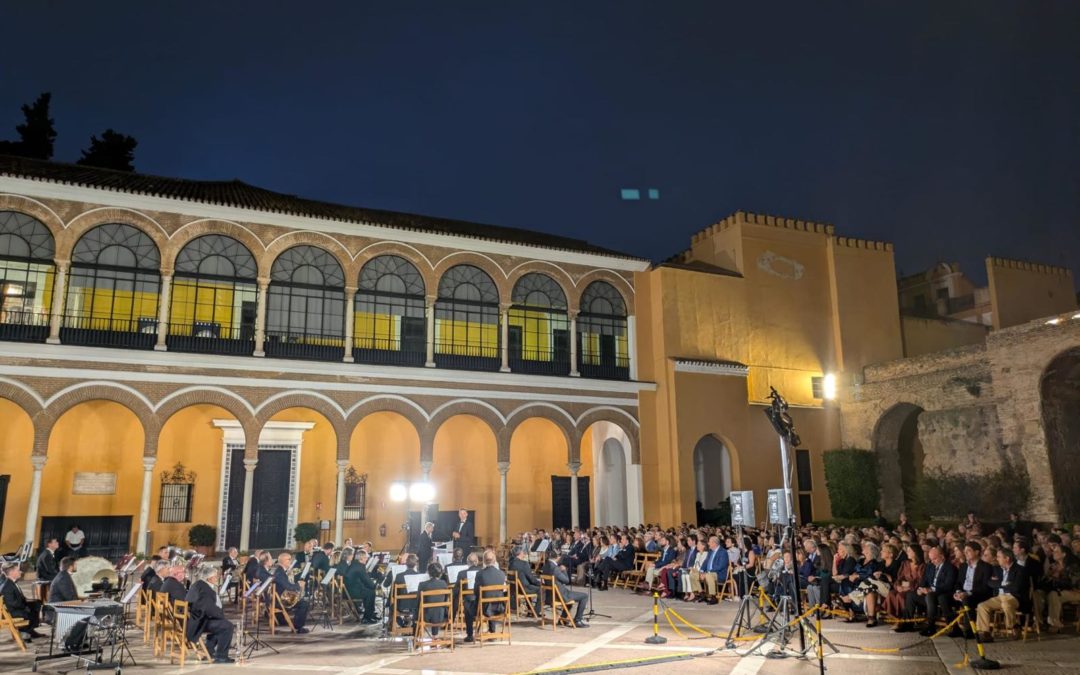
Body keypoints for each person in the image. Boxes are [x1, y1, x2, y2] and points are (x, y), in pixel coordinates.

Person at [976, 548, 1029, 642]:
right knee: (982, 606)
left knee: (1006, 604)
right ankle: (985, 633)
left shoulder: (1020, 570)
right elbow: (990, 582)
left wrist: (1000, 584)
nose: (997, 559)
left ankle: (1013, 626)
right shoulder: (997, 569)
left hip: (1014, 597)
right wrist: (1004, 584)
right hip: (999, 597)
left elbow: (1016, 587)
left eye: (999, 557)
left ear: (1007, 558)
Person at [186, 565, 235, 664]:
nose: (217, 578)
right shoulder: (206, 590)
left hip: (194, 620)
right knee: (227, 626)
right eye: (216, 576)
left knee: (220, 623)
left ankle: (209, 650)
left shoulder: (197, 584)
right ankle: (221, 656)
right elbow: (209, 609)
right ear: (210, 578)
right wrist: (221, 616)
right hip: (198, 623)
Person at [949, 541, 993, 637]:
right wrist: (958, 592)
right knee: (945, 598)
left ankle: (969, 631)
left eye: (968, 551)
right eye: (965, 551)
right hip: (963, 593)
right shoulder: (963, 566)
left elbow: (984, 587)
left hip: (977, 594)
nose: (966, 553)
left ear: (977, 552)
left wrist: (968, 593)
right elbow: (958, 583)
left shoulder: (986, 567)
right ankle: (954, 628)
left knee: (967, 600)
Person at [463, 549, 508, 642]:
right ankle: (492, 632)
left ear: (483, 561)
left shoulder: (480, 574)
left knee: (467, 603)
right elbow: (503, 590)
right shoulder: (501, 574)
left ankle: (470, 635)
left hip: (484, 609)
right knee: (493, 598)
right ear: (495, 560)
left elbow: (476, 592)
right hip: (499, 608)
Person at [916, 546, 957, 636]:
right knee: (911, 595)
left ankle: (930, 626)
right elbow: (923, 581)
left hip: (944, 592)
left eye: (934, 559)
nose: (932, 561)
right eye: (931, 559)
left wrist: (931, 590)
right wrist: (920, 589)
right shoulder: (930, 566)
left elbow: (948, 585)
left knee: (931, 596)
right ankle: (907, 623)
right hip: (930, 592)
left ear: (942, 557)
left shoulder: (950, 567)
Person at [542, 549, 589, 627]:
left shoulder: (545, 566)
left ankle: (562, 619)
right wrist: (564, 570)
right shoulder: (555, 569)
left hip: (550, 596)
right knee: (584, 596)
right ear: (557, 557)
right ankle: (578, 620)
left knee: (570, 600)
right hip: (560, 596)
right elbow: (567, 581)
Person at [0, 563, 44, 642]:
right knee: (29, 611)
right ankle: (24, 631)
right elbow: (12, 603)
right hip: (11, 612)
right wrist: (25, 607)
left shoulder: (12, 582)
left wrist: (28, 602)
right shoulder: (6, 586)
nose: (21, 572)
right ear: (12, 573)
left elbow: (19, 599)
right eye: (18, 570)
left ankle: (30, 630)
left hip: (16, 608)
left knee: (37, 603)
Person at [886, 544, 924, 631]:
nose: (907, 552)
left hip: (913, 590)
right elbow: (899, 578)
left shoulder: (922, 566)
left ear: (915, 552)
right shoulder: (905, 563)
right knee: (892, 593)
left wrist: (907, 587)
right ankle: (897, 619)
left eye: (909, 551)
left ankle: (903, 621)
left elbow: (920, 581)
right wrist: (898, 586)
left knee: (901, 596)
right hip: (902, 587)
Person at [272, 552, 309, 633]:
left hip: (280, 598)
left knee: (301, 600)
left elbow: (287, 585)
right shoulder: (279, 573)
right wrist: (299, 585)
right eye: (289, 559)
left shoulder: (280, 570)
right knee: (304, 603)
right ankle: (298, 627)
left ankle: (282, 619)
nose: (291, 561)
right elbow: (289, 587)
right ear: (283, 561)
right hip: (281, 601)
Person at [417, 561, 450, 635]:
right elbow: (445, 601)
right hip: (440, 617)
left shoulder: (422, 584)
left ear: (428, 573)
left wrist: (415, 616)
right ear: (440, 573)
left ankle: (417, 635)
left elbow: (418, 601)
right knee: (438, 607)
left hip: (426, 617)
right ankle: (434, 635)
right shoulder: (444, 584)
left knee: (420, 609)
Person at [346, 550, 378, 624]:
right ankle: (367, 618)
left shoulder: (355, 564)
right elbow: (367, 581)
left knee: (369, 591)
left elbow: (364, 579)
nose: (367, 560)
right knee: (371, 593)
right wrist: (374, 586)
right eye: (366, 558)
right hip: (352, 592)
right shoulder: (360, 567)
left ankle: (371, 614)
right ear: (361, 558)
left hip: (350, 589)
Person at [800, 539, 830, 611]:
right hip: (812, 578)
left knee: (814, 588)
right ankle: (812, 609)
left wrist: (814, 577)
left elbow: (821, 571)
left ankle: (819, 608)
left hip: (820, 580)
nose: (806, 549)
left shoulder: (823, 558)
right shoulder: (808, 555)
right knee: (810, 587)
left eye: (807, 547)